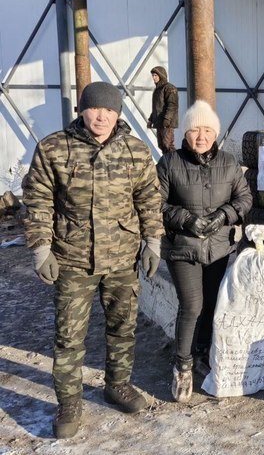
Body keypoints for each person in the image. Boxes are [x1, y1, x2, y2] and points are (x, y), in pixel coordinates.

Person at [23, 81, 163, 439]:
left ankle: (118, 385)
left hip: (121, 258)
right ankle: (69, 402)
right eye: (95, 109)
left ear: (118, 113)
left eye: (109, 110)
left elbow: (148, 198)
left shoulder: (134, 150)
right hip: (72, 259)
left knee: (123, 328)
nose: (102, 116)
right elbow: (38, 199)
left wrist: (152, 242)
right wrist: (41, 249)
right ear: (82, 110)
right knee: (69, 337)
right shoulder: (54, 148)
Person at [157, 100, 252, 402]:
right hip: (183, 247)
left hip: (219, 248)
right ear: (185, 133)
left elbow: (245, 198)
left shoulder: (228, 162)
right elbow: (154, 203)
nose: (201, 136)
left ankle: (202, 353)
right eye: (195, 130)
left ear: (216, 133)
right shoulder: (169, 163)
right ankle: (182, 366)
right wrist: (185, 219)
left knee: (212, 304)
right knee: (192, 305)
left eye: (207, 130)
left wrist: (224, 215)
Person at [147, 66, 179, 154]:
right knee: (161, 145)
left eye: (155, 75)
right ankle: (166, 164)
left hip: (166, 123)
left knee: (168, 145)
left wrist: (167, 119)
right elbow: (157, 108)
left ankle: (173, 164)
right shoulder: (158, 89)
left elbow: (172, 105)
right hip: (159, 122)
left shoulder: (169, 88)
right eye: (153, 75)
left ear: (161, 75)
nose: (153, 78)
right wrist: (151, 120)